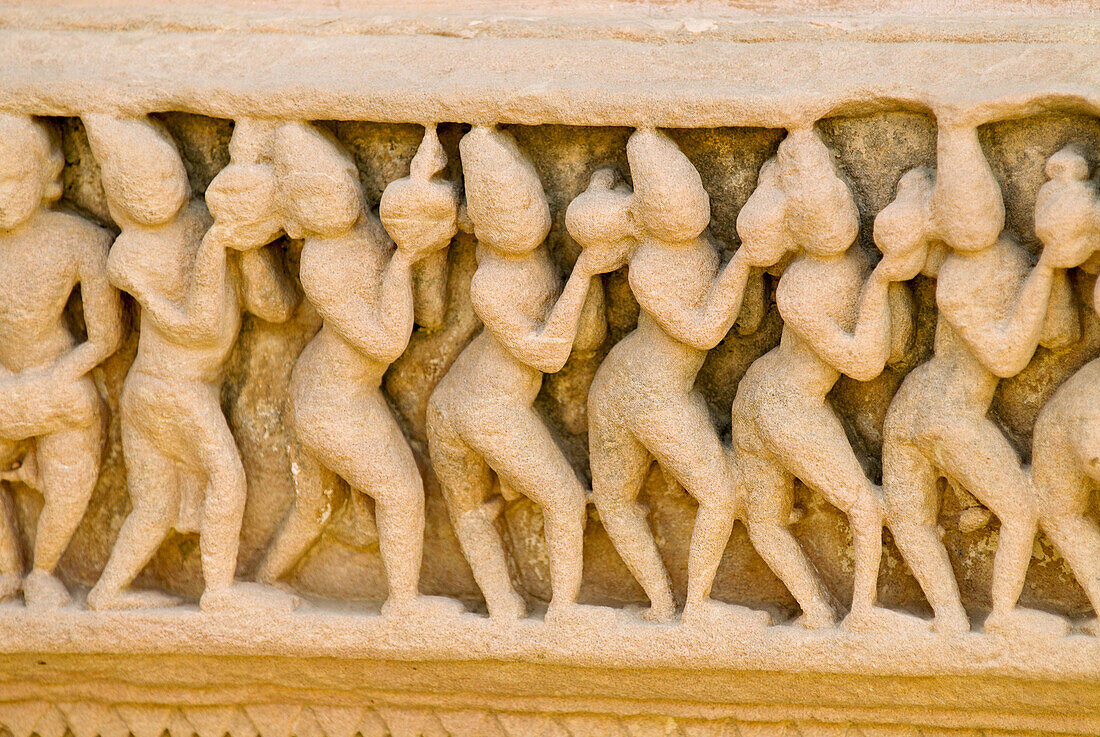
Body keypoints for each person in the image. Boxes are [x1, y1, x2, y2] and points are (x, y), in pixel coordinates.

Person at [84, 114, 299, 612]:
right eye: (135, 187)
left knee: (156, 507)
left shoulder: (206, 218)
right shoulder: (128, 255)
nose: (155, 193)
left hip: (181, 389)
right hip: (166, 389)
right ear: (114, 194)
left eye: (165, 177)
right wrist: (219, 245)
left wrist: (250, 250)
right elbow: (194, 326)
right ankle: (219, 591)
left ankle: (107, 593)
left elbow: (275, 308)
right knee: (225, 475)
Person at [256, 122, 464, 617]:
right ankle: (404, 603)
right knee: (400, 490)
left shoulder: (369, 229)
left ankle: (265, 580)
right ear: (295, 220)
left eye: (340, 183)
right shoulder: (321, 268)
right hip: (332, 400)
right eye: (312, 198)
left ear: (353, 177)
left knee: (314, 506)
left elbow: (428, 316)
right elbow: (387, 341)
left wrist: (426, 244)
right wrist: (402, 262)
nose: (333, 199)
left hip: (335, 390)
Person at [882, 123, 1083, 636]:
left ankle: (950, 617)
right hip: (946, 414)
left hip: (914, 406)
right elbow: (1008, 358)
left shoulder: (977, 262)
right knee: (1020, 510)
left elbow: (1062, 334)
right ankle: (1002, 615)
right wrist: (1046, 269)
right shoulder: (960, 280)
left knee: (913, 522)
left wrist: (1053, 262)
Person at [731, 127, 922, 630]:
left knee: (767, 520)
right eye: (814, 218)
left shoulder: (846, 263)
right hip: (782, 404)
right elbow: (863, 362)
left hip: (767, 392)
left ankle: (821, 611)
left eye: (837, 204)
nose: (833, 222)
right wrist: (881, 283)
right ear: (798, 228)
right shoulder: (800, 290)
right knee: (860, 505)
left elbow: (893, 343)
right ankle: (855, 612)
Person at [426, 126, 617, 622]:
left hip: (488, 404)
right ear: (482, 227)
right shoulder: (490, 283)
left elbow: (588, 337)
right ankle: (550, 609)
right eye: (503, 218)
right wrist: (583, 273)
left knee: (480, 510)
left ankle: (515, 605)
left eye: (530, 206)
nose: (522, 223)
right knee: (562, 500)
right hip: (473, 407)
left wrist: (591, 259)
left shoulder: (538, 262)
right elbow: (550, 354)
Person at [583, 129, 771, 625]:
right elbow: (704, 331)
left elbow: (747, 321)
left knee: (683, 494)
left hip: (659, 388)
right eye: (672, 209)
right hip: (638, 391)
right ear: (644, 217)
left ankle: (682, 606)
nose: (691, 213)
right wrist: (745, 262)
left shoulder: (704, 246)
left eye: (698, 197)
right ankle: (681, 607)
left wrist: (748, 264)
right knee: (634, 498)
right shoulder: (647, 268)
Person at [0, 114, 123, 608]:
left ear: (48, 176)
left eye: (12, 179)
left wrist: (53, 378)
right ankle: (7, 563)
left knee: (79, 423)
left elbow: (106, 337)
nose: (2, 194)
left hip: (57, 378)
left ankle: (45, 569)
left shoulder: (78, 240)